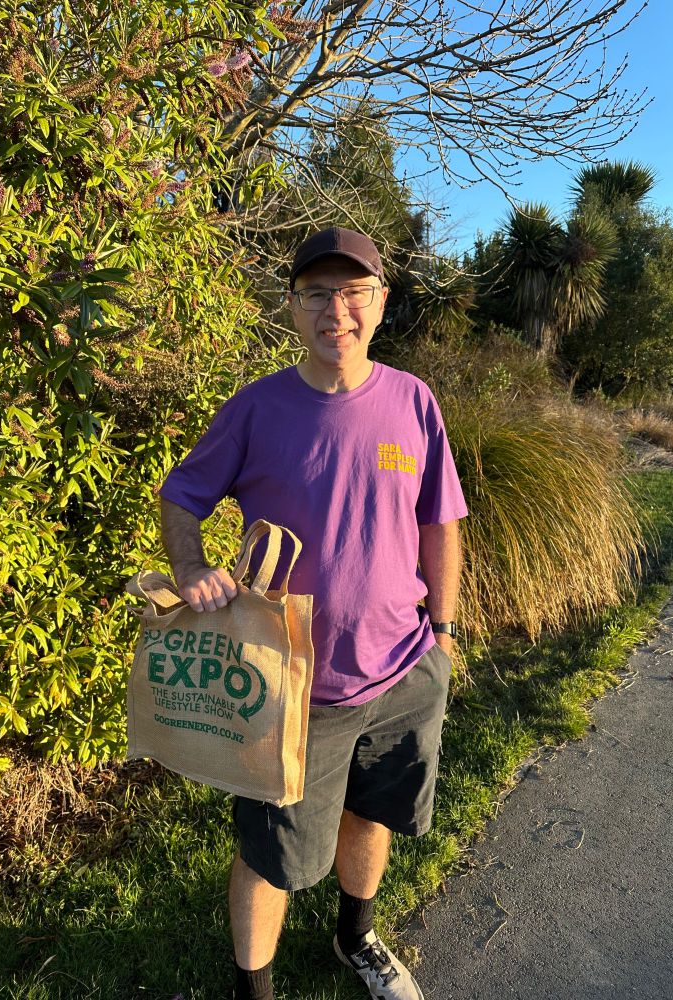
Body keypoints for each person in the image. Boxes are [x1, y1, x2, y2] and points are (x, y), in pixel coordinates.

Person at [159, 227, 468, 1000]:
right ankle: (253, 991)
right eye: (318, 294)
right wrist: (191, 566)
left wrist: (445, 635)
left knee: (374, 816)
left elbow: (441, 523)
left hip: (404, 672)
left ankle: (356, 939)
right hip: (293, 691)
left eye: (355, 292)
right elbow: (181, 494)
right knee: (272, 857)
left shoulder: (413, 401)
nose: (339, 310)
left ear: (381, 303)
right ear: (293, 309)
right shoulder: (259, 408)